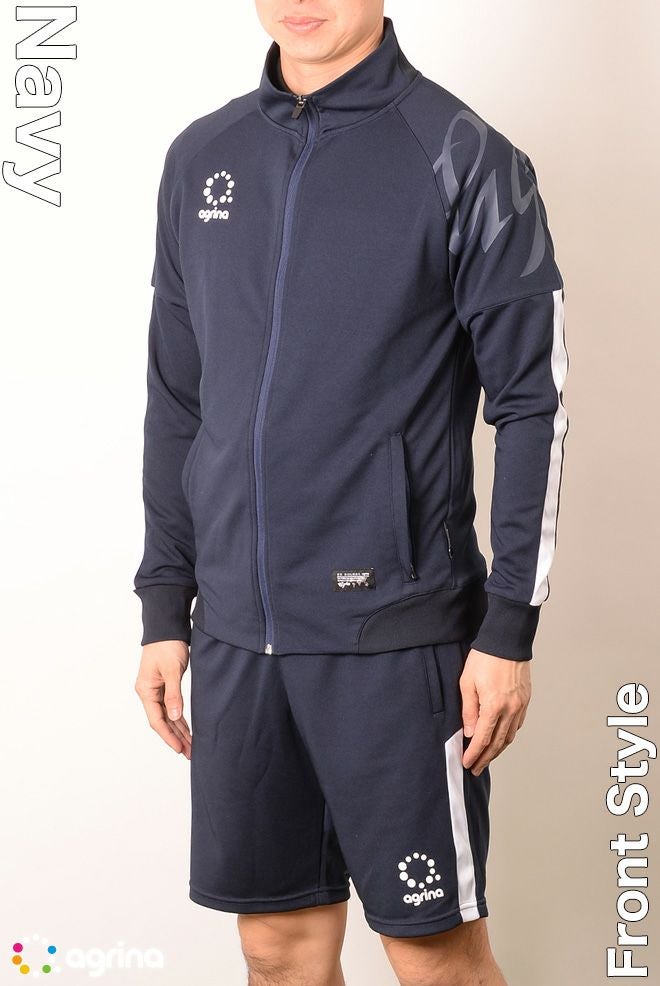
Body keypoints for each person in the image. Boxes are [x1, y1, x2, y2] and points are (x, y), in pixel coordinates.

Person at [133, 2, 569, 984]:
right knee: (277, 951)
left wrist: (508, 628)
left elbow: (534, 404)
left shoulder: (464, 157)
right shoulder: (202, 157)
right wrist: (166, 605)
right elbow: (179, 401)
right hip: (237, 637)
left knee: (435, 955)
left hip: (396, 640)